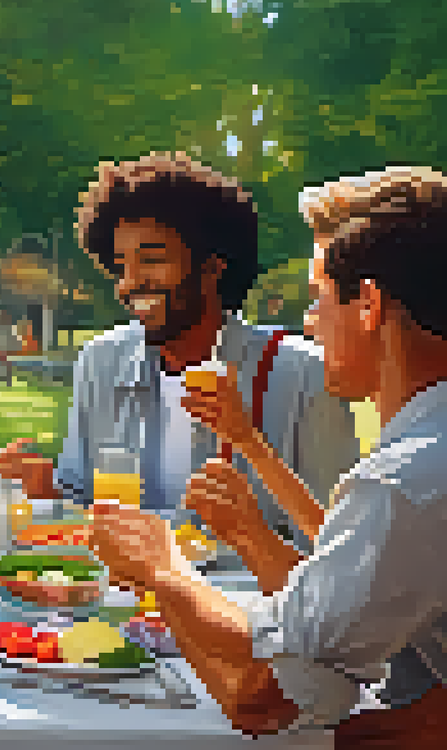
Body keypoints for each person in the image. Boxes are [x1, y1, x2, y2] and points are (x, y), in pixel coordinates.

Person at [90, 166, 447, 745]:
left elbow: (264, 697)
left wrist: (162, 566)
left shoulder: (402, 482)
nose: (309, 323)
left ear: (369, 307)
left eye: (318, 298)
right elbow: (347, 586)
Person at [0, 153, 357, 551]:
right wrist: (48, 488)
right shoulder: (101, 363)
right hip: (122, 605)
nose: (130, 284)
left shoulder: (303, 377)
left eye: (152, 260)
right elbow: (83, 506)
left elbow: (338, 551)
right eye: (120, 265)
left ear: (213, 268)